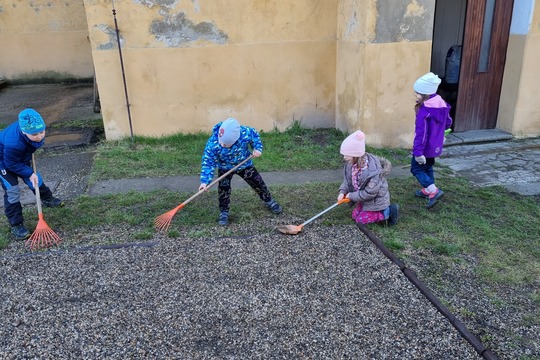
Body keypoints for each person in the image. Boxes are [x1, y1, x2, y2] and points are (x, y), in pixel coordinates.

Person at [199, 118, 282, 225]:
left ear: (237, 138)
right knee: (224, 189)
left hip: (244, 164)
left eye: (226, 144)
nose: (222, 145)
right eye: (222, 143)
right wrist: (205, 181)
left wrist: (257, 148)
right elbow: (208, 162)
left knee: (258, 182)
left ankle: (269, 200)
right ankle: (224, 212)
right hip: (225, 169)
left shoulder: (245, 133)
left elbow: (255, 136)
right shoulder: (213, 143)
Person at [0, 108, 64, 240]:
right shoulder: (13, 143)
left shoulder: (30, 132)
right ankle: (16, 224)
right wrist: (28, 172)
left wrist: (29, 173)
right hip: (4, 162)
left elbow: (24, 152)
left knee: (35, 180)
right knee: (12, 190)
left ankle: (47, 199)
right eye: (35, 134)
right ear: (24, 132)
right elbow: (10, 163)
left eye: (42, 131)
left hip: (18, 157)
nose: (40, 136)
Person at [337, 130, 398, 226]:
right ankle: (366, 208)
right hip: (364, 199)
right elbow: (347, 181)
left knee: (360, 220)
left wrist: (352, 196)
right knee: (354, 216)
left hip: (375, 201)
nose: (344, 157)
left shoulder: (372, 171)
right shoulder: (350, 165)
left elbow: (370, 193)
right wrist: (342, 192)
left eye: (347, 155)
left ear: (356, 155)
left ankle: (387, 212)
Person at [411, 72, 453, 209]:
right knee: (428, 166)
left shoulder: (424, 110)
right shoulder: (441, 103)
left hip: (424, 147)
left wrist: (418, 152)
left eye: (418, 93)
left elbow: (421, 134)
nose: (416, 96)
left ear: (426, 93)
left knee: (416, 169)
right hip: (436, 145)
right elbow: (448, 122)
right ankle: (428, 191)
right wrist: (441, 134)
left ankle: (433, 190)